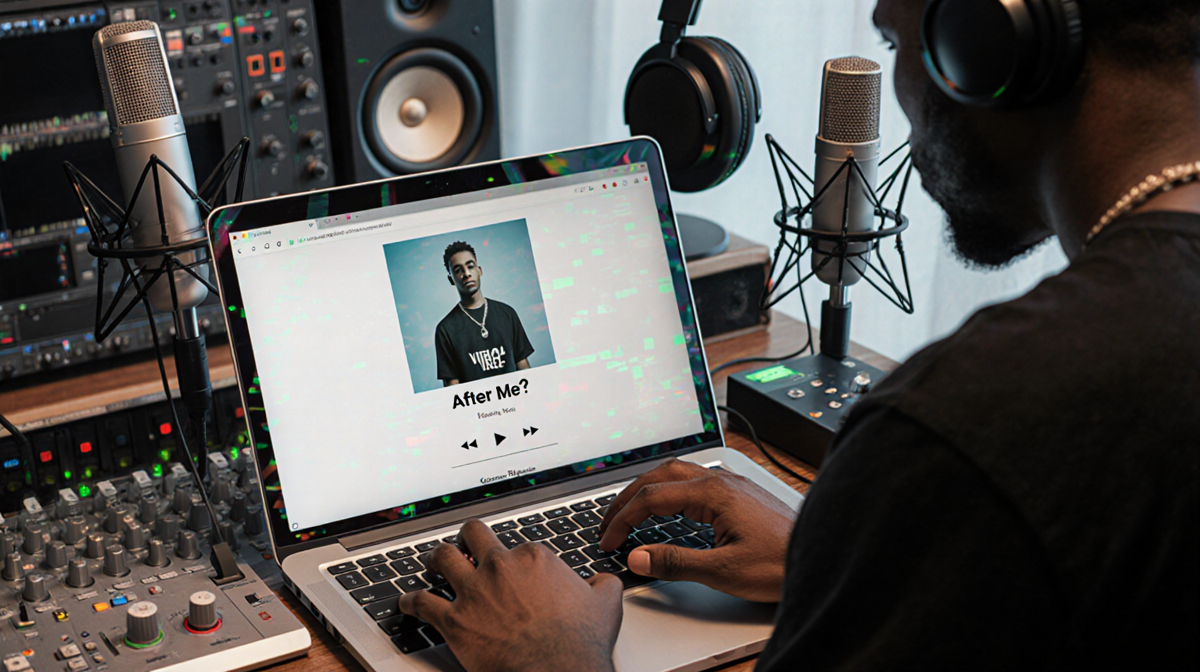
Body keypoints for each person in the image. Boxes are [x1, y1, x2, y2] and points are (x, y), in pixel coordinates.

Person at [399, 0, 1199, 669]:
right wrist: (860, 563)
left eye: (894, 42)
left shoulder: (972, 426)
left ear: (988, 39)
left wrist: (552, 658)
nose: (902, 99)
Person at [434, 241, 534, 387]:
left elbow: (524, 368)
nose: (466, 274)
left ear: (479, 270)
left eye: (470, 266)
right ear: (451, 279)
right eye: (458, 270)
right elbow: (452, 388)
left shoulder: (507, 313)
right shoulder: (445, 330)